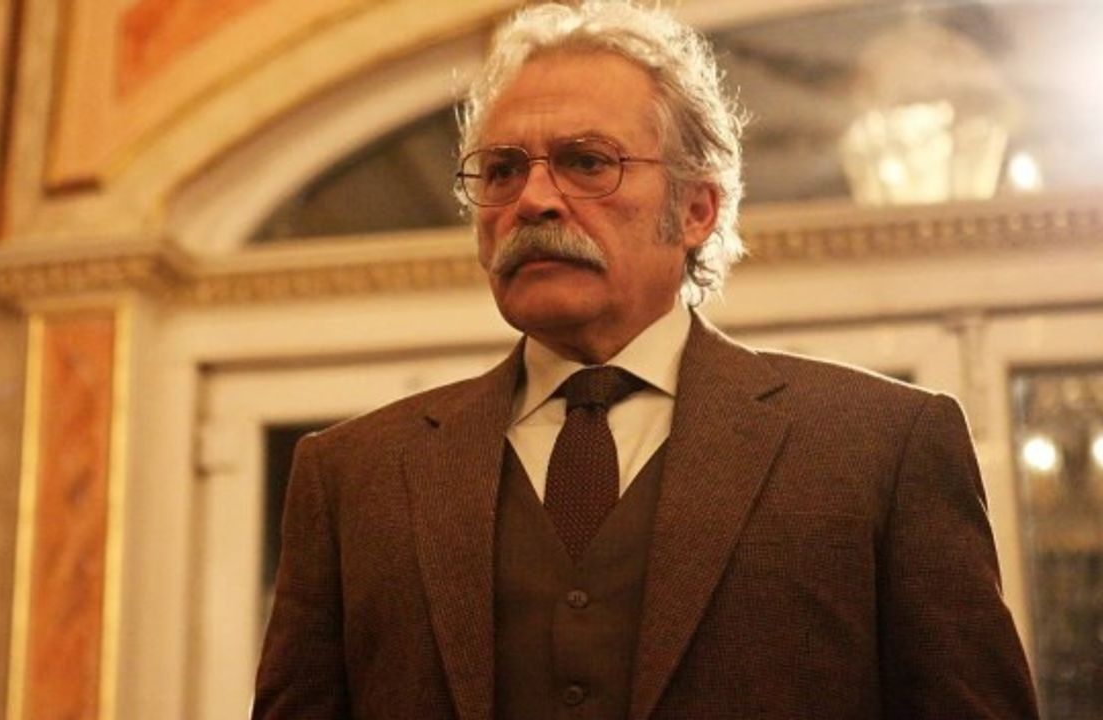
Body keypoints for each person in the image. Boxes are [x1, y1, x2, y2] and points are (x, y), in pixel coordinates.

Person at [252, 2, 1039, 718]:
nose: (532, 200)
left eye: (587, 162)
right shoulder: (353, 478)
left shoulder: (880, 449)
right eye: (502, 171)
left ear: (697, 209)